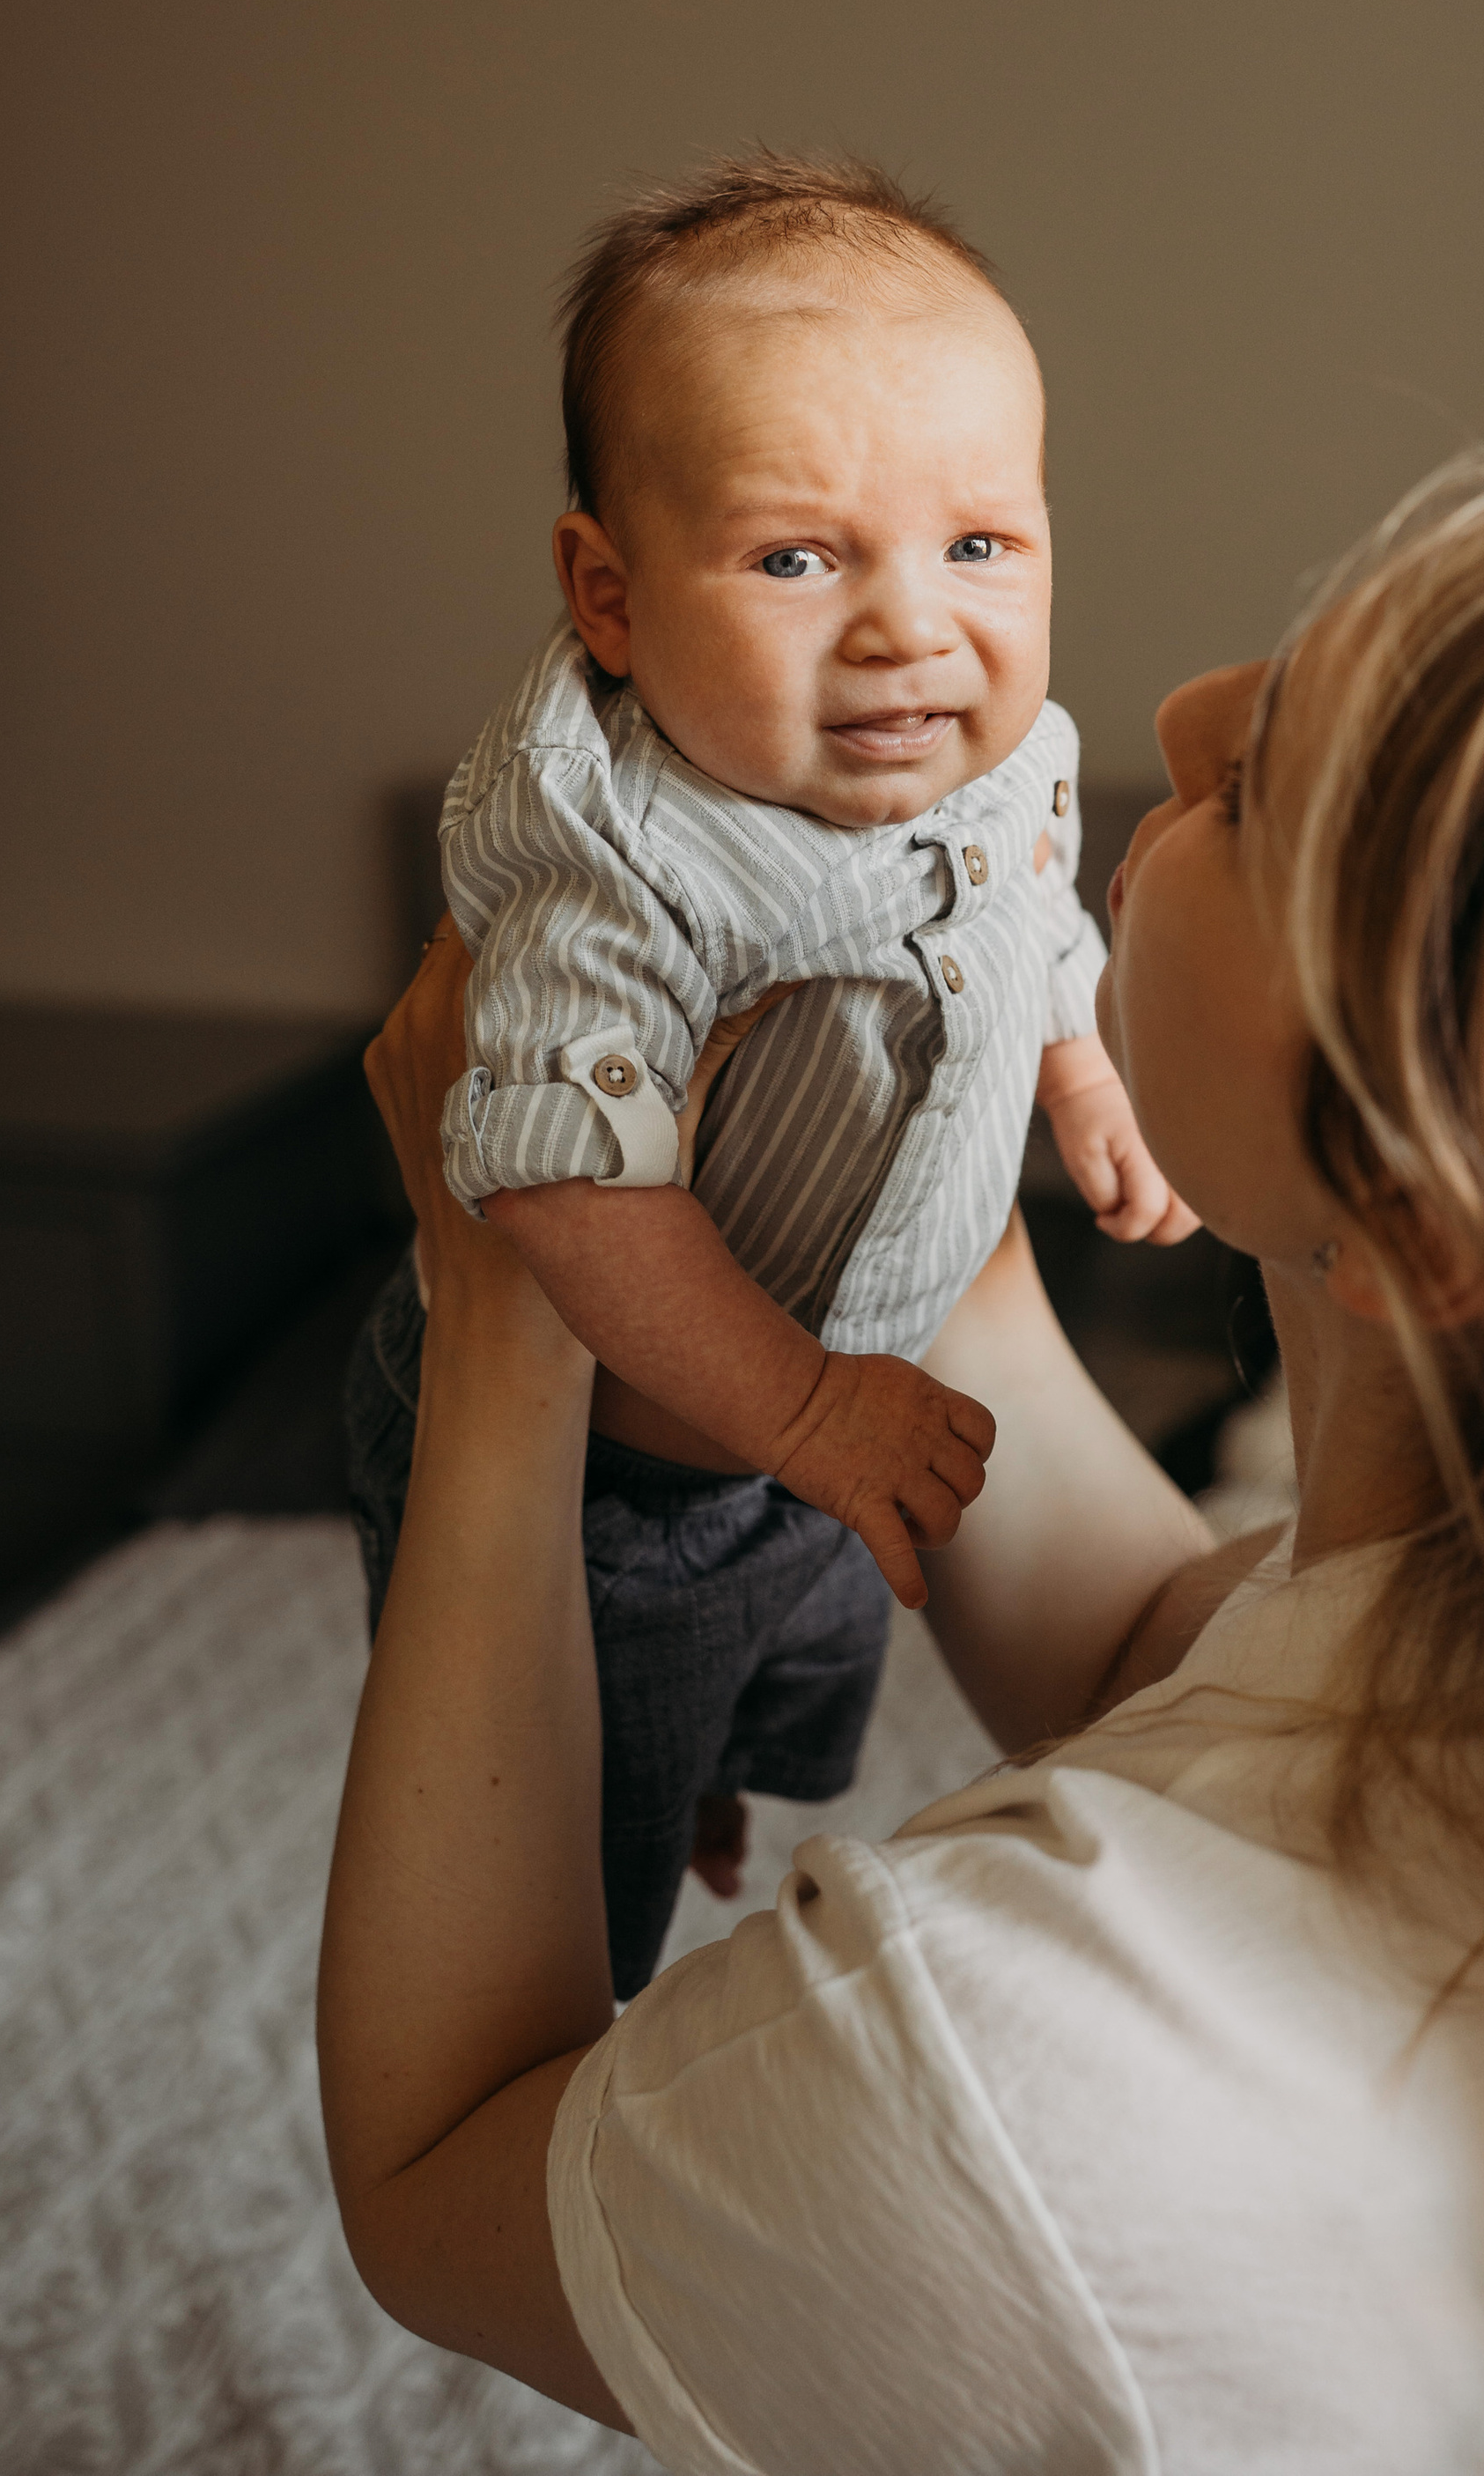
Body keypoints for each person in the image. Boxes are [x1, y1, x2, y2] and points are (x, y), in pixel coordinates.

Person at [320, 394, 1484, 2473]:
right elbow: (1165, 1662)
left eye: (1273, 778)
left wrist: (508, 1303)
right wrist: (868, 1117)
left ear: (1409, 1213)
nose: (1184, 707)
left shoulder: (996, 2077)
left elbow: (436, 2169)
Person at [345, 152, 1193, 1994]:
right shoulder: (619, 861)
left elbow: (1026, 911)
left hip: (846, 1392)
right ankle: (660, 1792)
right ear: (612, 599)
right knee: (596, 1837)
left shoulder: (999, 747)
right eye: (796, 558)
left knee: (815, 1666)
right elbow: (568, 1187)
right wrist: (802, 1413)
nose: (909, 626)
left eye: (979, 545)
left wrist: (1091, 1081)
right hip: (604, 1482)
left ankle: (728, 1756)